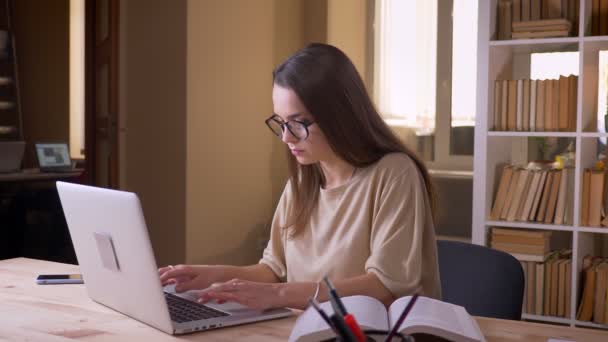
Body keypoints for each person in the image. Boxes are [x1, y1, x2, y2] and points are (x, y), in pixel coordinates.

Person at [159, 43, 441, 310]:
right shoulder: (304, 180)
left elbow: (385, 286)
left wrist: (279, 295)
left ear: (340, 115)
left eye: (299, 123)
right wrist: (210, 275)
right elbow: (274, 269)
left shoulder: (395, 173)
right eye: (281, 123)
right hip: (309, 330)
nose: (286, 137)